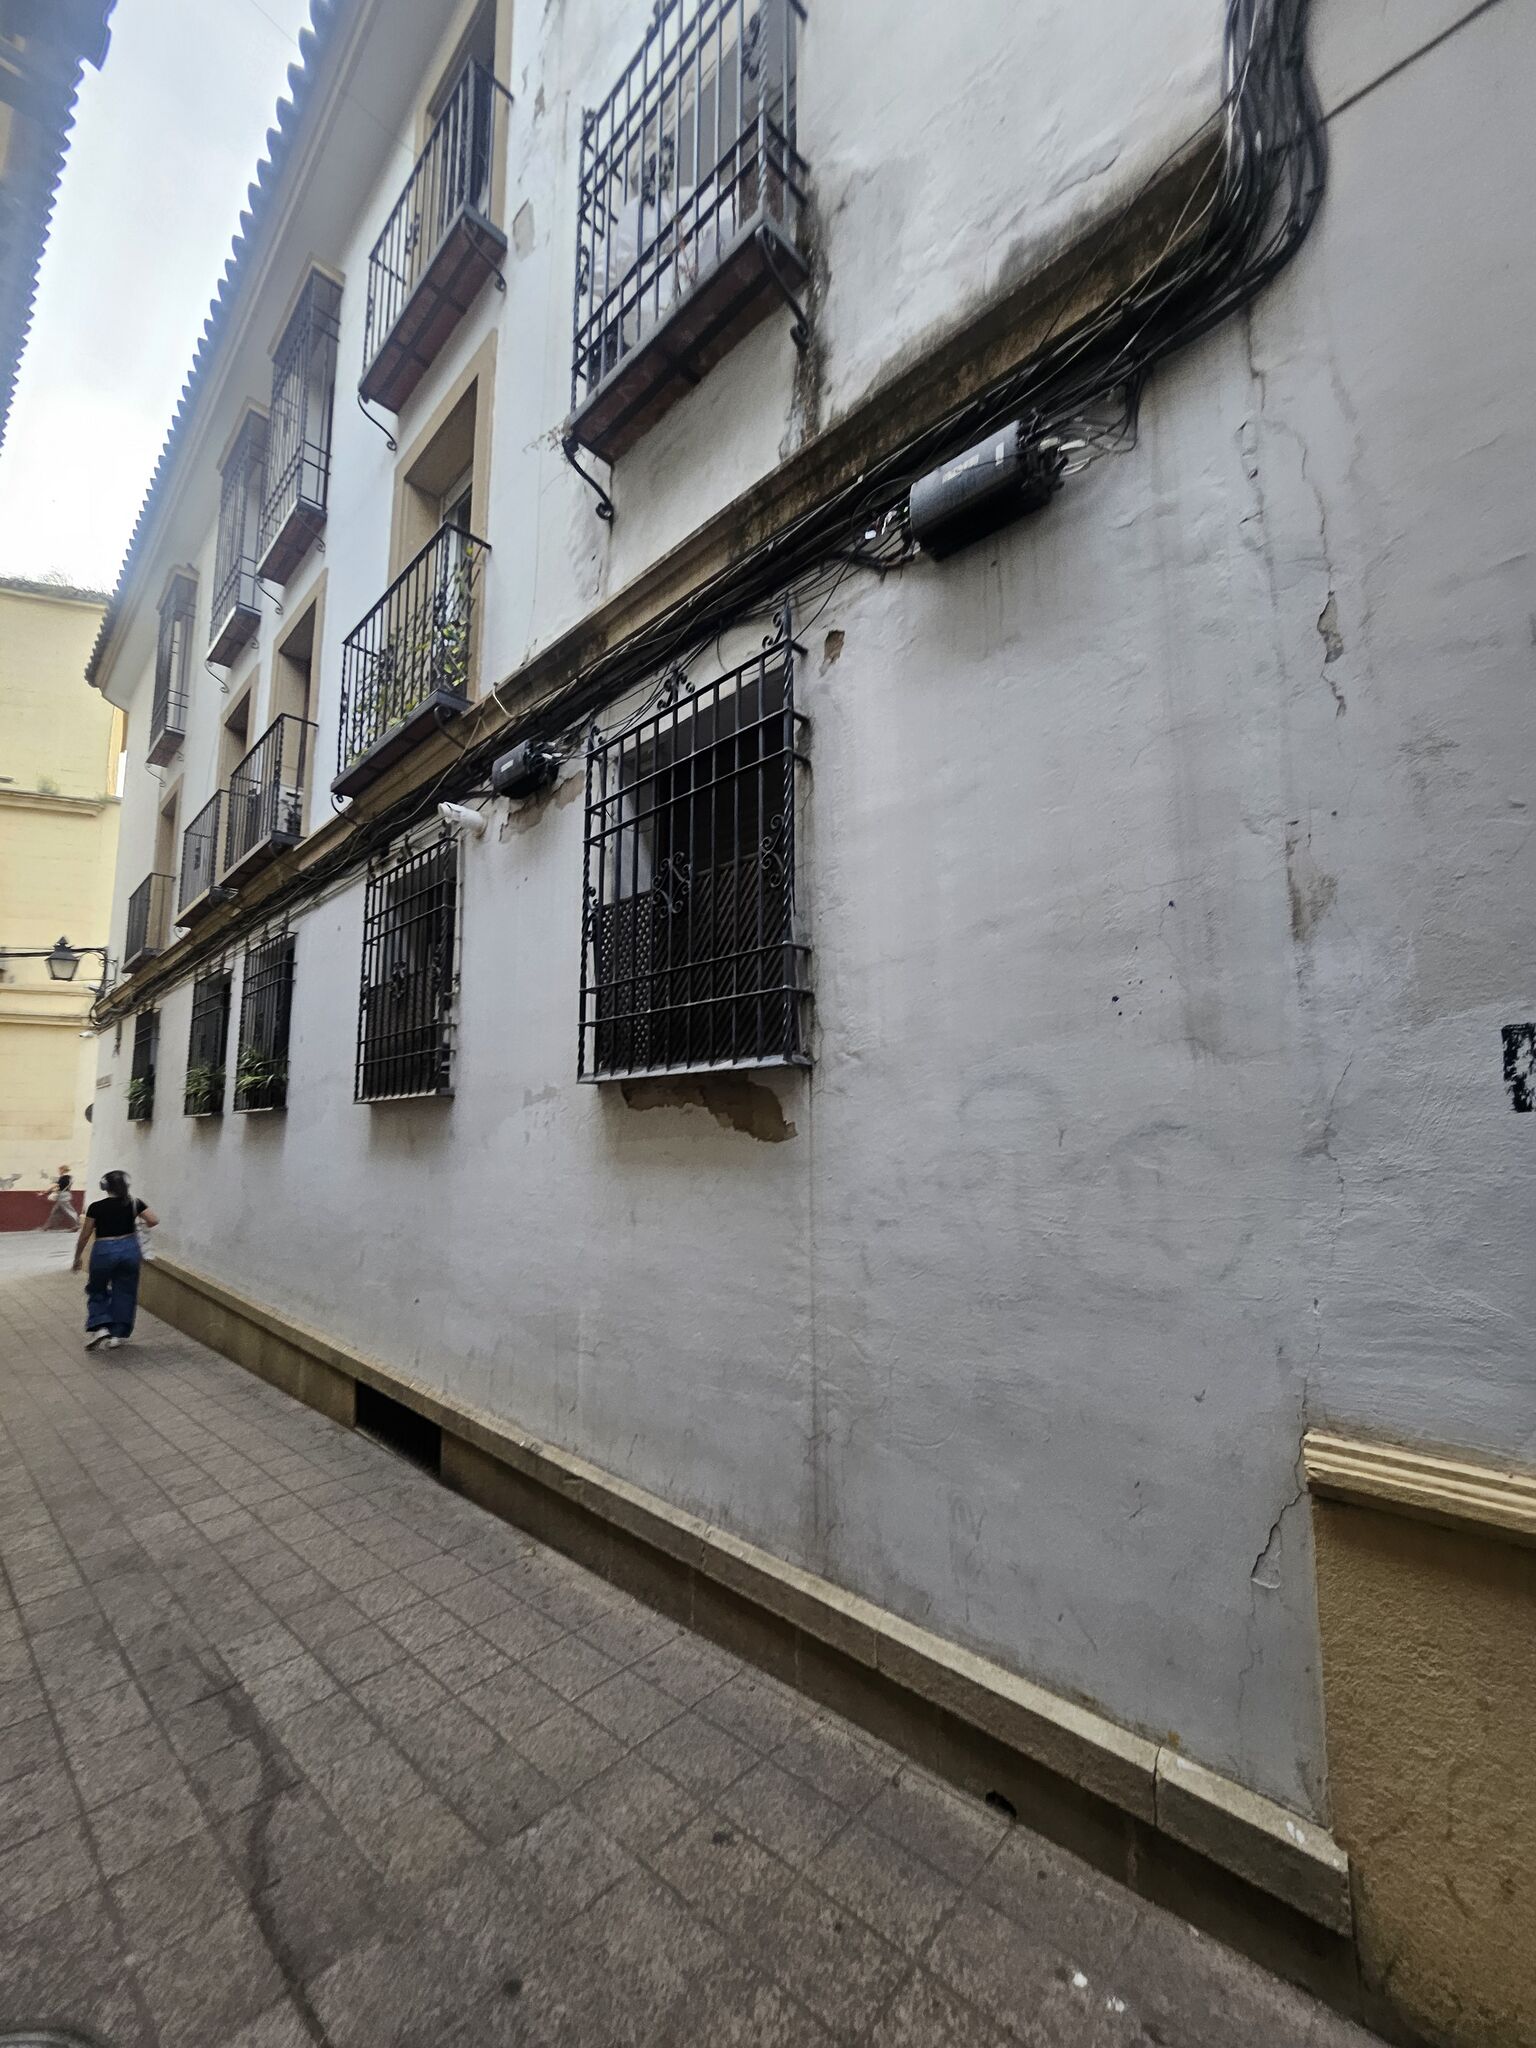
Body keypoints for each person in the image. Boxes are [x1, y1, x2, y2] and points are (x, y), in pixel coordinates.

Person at [72, 1170, 158, 1351]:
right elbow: (153, 1220)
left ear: (104, 1186)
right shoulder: (134, 1203)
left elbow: (85, 1234)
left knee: (97, 1288)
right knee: (125, 1291)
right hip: (129, 1249)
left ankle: (101, 1327)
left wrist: (77, 1257)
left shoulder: (96, 1207)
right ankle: (117, 1335)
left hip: (104, 1250)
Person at [40, 1164, 77, 1231]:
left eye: (59, 1170)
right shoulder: (69, 1178)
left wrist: (45, 1191)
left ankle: (76, 1225)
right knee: (55, 1211)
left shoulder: (64, 1177)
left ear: (63, 1170)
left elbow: (57, 1186)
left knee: (70, 1211)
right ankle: (47, 1226)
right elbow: (62, 1187)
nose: (59, 1171)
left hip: (63, 1196)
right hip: (65, 1194)